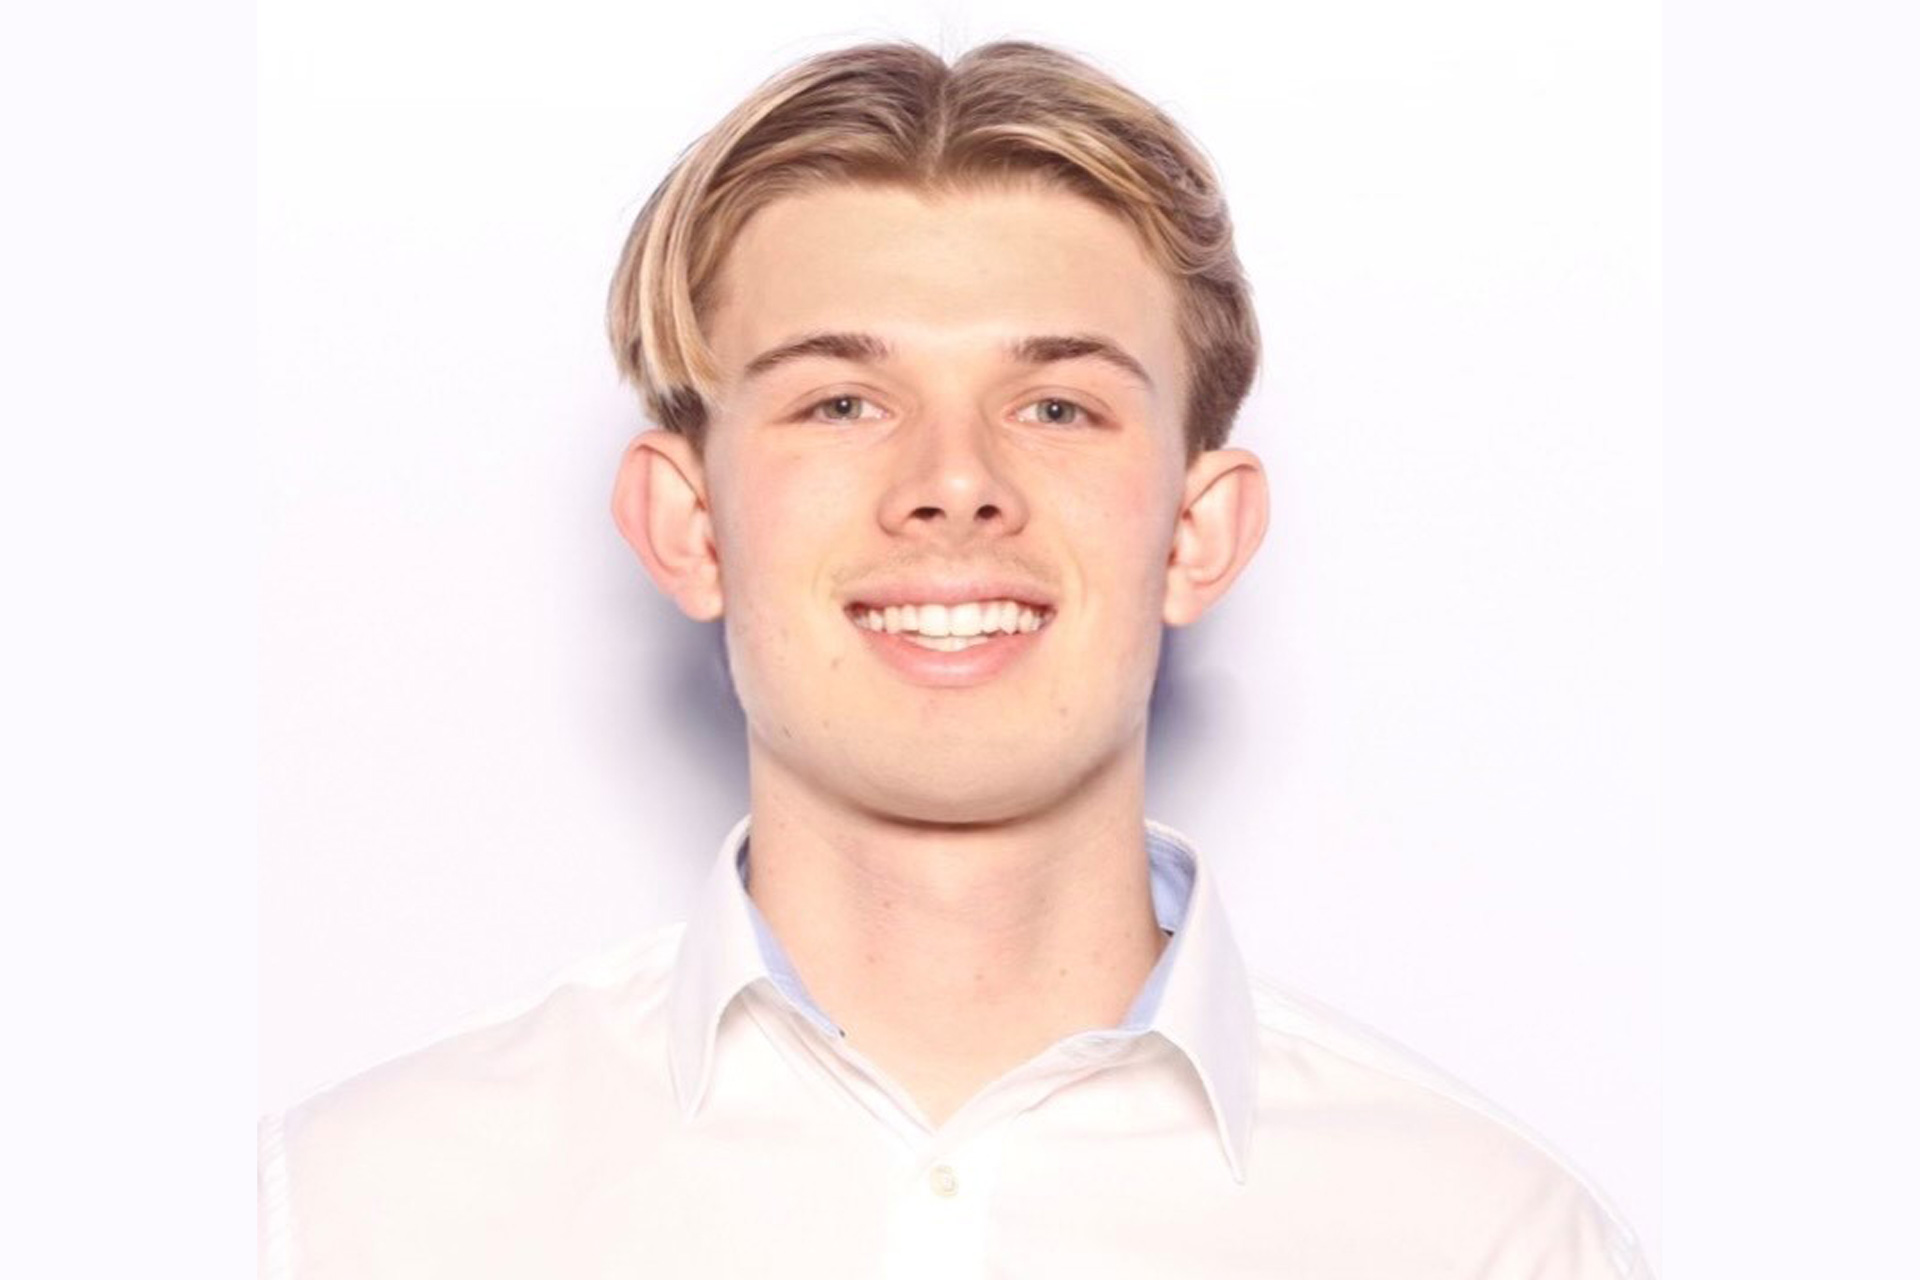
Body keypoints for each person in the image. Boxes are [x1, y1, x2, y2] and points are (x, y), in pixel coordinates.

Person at [257, 37, 1651, 1279]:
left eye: (1055, 403)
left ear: (1197, 532)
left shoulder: (1490, 1242)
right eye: (843, 400)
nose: (954, 481)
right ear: (688, 525)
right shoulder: (346, 1218)